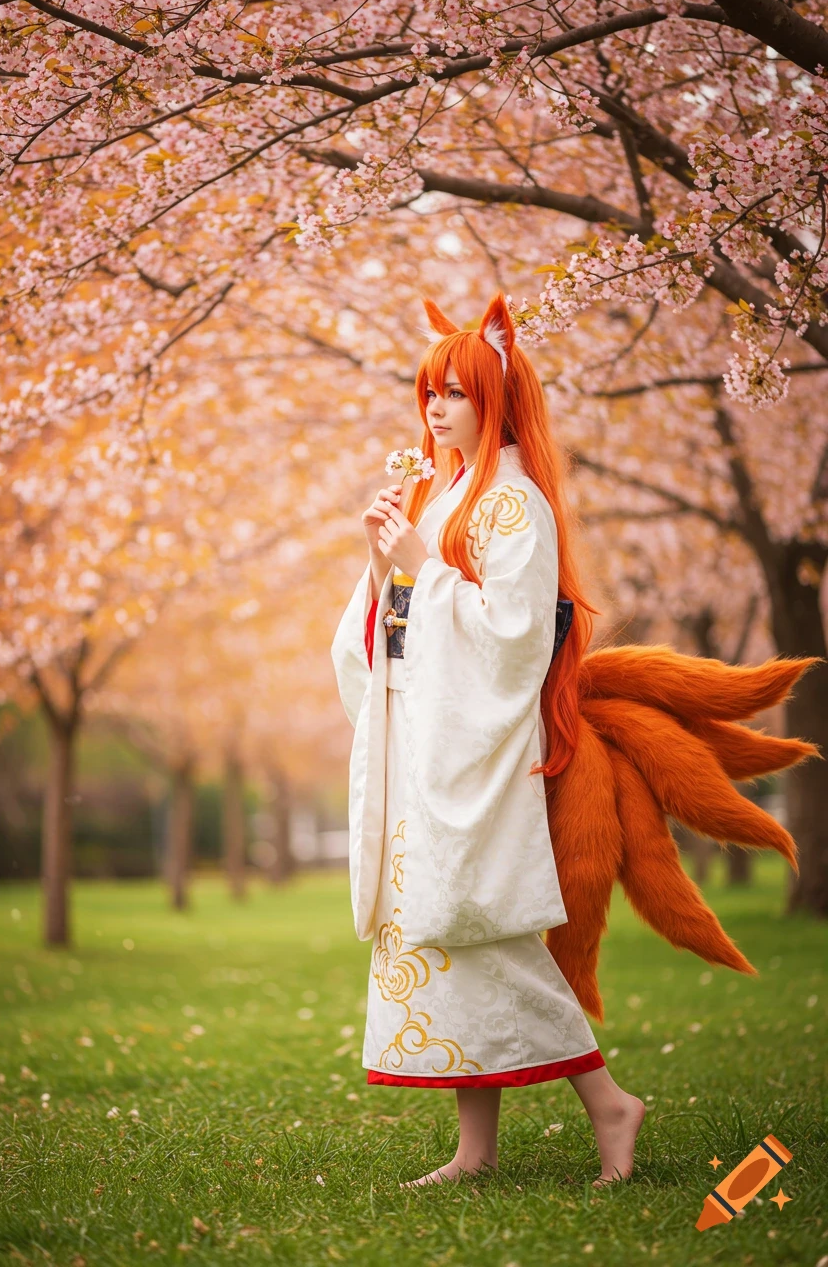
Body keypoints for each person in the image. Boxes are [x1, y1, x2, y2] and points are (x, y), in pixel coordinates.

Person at [330, 292, 815, 1190]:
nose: (437, 409)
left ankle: (608, 1101)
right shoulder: (439, 496)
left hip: (470, 752)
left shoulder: (516, 508)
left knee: (481, 928)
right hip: (419, 745)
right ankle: (477, 1149)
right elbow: (386, 625)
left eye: (456, 393)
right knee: (440, 934)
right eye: (428, 392)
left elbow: (512, 634)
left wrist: (420, 569)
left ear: (497, 399)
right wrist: (380, 559)